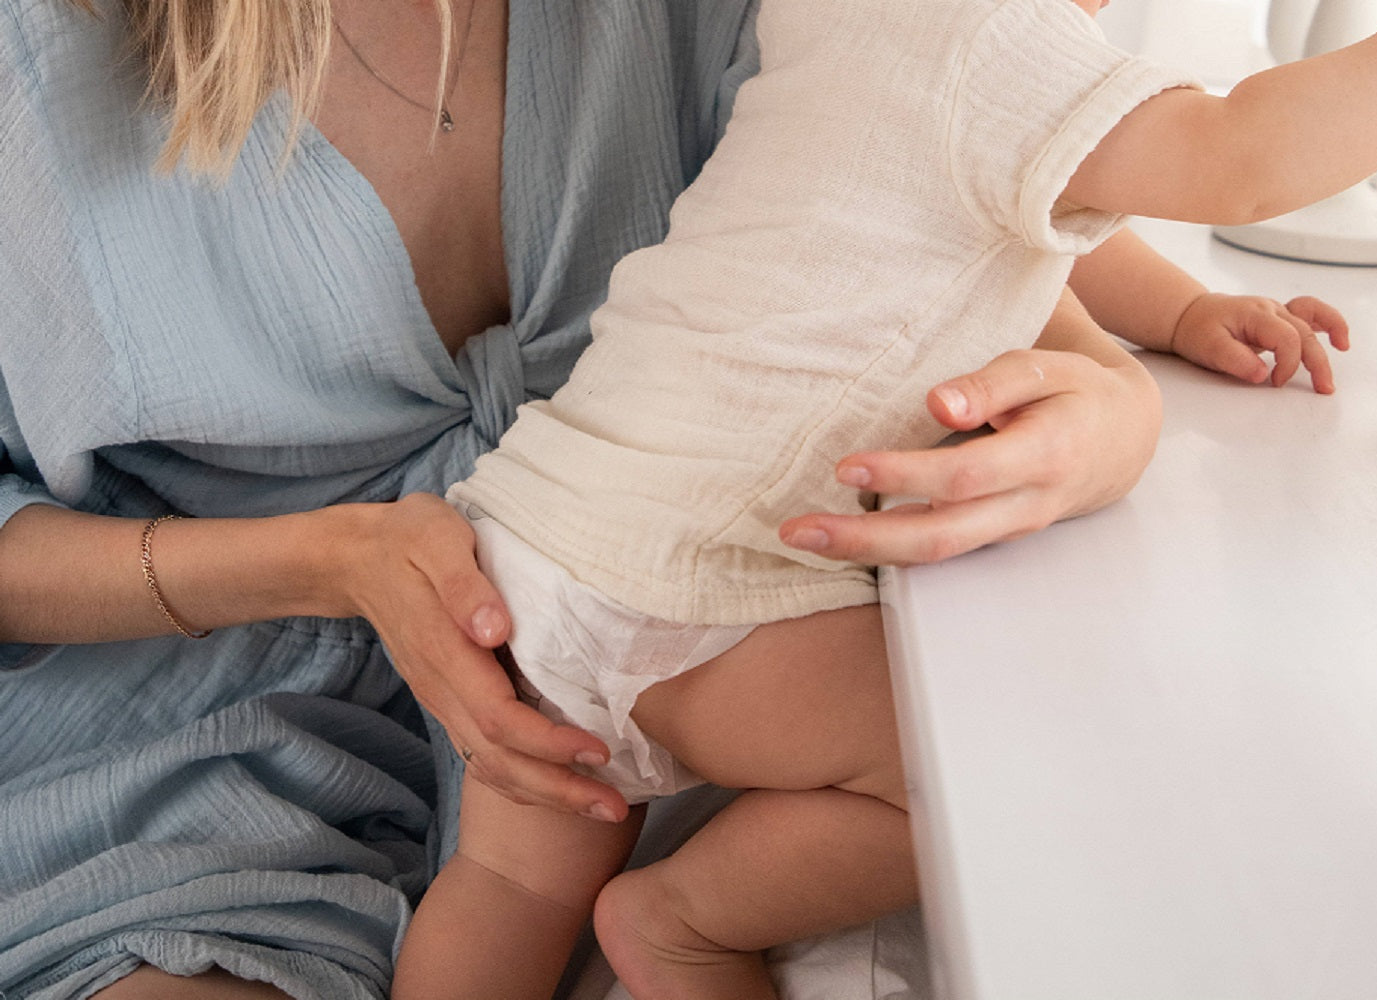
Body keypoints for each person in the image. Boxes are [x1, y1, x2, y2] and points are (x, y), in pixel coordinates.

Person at [0, 0, 1285, 997]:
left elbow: (935, 162)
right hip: (196, 748)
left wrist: (1116, 413)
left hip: (656, 688)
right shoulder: (35, 59)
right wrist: (328, 560)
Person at [392, 0, 1377, 996]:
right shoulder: (997, 34)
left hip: (539, 545)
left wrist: (1179, 313)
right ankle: (685, 921)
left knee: (509, 888)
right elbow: (1244, 157)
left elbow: (1009, 200)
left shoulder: (864, 22)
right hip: (694, 593)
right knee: (991, 765)